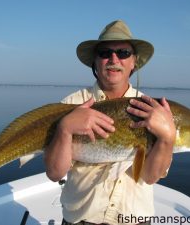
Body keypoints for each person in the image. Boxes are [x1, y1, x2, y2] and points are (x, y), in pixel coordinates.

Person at [44, 20, 176, 225]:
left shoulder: (153, 111)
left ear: (134, 62)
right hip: (81, 219)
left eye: (123, 53)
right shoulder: (71, 104)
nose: (114, 59)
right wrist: (64, 128)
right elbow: (54, 173)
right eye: (105, 53)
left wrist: (167, 138)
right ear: (95, 62)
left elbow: (150, 177)